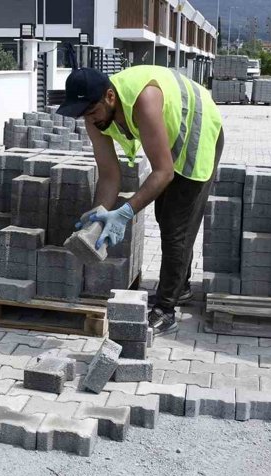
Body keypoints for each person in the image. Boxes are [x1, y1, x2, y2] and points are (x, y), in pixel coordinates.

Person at [57, 67, 224, 335]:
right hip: (169, 132)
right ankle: (180, 286)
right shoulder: (95, 116)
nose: (89, 119)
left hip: (198, 128)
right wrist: (98, 216)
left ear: (109, 96)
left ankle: (166, 309)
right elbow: (110, 176)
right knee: (166, 215)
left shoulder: (143, 101)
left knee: (176, 223)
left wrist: (124, 213)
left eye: (90, 111)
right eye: (83, 114)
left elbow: (163, 172)